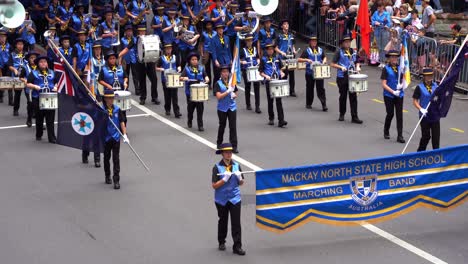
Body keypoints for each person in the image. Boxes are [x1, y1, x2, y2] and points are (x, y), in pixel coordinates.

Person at [211, 143, 245, 256]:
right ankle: (221, 241)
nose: (229, 154)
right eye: (226, 152)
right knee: (223, 221)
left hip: (235, 198)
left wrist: (240, 177)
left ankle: (237, 246)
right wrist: (224, 179)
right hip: (221, 199)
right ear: (222, 154)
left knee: (236, 223)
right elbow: (214, 185)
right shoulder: (217, 167)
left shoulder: (237, 165)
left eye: (230, 152)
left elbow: (241, 183)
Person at [330, 34, 363, 124]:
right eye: (346, 42)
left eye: (349, 42)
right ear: (343, 43)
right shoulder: (339, 52)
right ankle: (342, 114)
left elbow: (357, 61)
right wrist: (340, 67)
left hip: (352, 76)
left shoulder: (353, 51)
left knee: (353, 96)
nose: (348, 43)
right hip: (342, 76)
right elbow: (332, 64)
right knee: (343, 96)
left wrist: (357, 67)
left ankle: (354, 116)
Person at [25, 56, 58, 143]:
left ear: (47, 63)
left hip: (50, 97)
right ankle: (39, 134)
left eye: (45, 62)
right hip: (38, 98)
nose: (43, 63)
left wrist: (56, 86)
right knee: (39, 117)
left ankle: (52, 137)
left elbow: (57, 82)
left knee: (50, 118)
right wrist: (34, 86)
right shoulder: (33, 73)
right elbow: (28, 84)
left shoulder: (52, 72)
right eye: (41, 62)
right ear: (38, 64)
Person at [101, 89, 128, 190]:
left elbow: (122, 122)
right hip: (106, 138)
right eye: (109, 98)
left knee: (116, 159)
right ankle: (107, 175)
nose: (111, 100)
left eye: (112, 98)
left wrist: (124, 135)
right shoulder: (101, 110)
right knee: (106, 158)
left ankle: (116, 180)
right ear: (105, 98)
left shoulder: (117, 109)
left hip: (116, 137)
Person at [259, 41, 287, 127]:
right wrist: (266, 76)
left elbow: (281, 68)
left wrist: (282, 72)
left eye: (272, 49)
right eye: (269, 49)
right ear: (267, 51)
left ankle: (281, 120)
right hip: (269, 82)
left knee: (279, 101)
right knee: (270, 101)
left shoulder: (277, 58)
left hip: (277, 81)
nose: (270, 51)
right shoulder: (263, 59)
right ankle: (271, 118)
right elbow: (260, 72)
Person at [180, 52, 209, 131]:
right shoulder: (186, 69)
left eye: (196, 59)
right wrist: (184, 78)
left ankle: (200, 125)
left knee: (200, 109)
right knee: (190, 108)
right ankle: (190, 120)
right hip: (190, 92)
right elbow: (180, 77)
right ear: (190, 61)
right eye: (192, 60)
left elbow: (205, 76)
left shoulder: (201, 68)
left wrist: (207, 78)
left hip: (199, 92)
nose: (195, 61)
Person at [381, 50, 405, 143]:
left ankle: (400, 135)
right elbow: (383, 84)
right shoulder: (386, 69)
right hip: (389, 95)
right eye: (392, 57)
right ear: (389, 58)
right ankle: (386, 130)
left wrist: (402, 86)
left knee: (399, 115)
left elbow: (405, 80)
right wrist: (393, 91)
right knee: (390, 113)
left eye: (395, 57)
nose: (394, 59)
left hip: (399, 94)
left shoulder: (401, 68)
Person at [413, 68, 439, 152]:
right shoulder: (419, 87)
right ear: (424, 77)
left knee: (436, 137)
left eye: (431, 75)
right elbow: (415, 101)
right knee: (426, 136)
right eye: (427, 76)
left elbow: (439, 98)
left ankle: (436, 154)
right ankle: (420, 152)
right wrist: (421, 109)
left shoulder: (436, 86)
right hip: (424, 115)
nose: (429, 77)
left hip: (434, 115)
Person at [299, 35, 328, 111]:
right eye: (312, 41)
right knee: (310, 88)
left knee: (321, 88)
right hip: (309, 72)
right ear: (310, 42)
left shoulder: (320, 50)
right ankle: (309, 103)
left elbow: (324, 57)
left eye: (315, 41)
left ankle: (324, 104)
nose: (314, 42)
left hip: (319, 72)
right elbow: (299, 59)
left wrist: (324, 61)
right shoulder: (307, 50)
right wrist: (307, 60)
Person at [98, 51, 129, 124]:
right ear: (108, 60)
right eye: (110, 59)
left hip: (120, 94)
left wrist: (125, 82)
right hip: (109, 94)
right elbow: (100, 80)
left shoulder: (120, 68)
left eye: (114, 58)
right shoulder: (104, 69)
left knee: (122, 113)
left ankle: (123, 130)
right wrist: (107, 85)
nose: (112, 60)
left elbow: (125, 77)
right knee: (110, 112)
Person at [214, 65, 239, 153]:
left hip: (232, 107)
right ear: (221, 73)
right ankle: (219, 143)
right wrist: (227, 92)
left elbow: (236, 92)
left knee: (233, 127)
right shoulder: (218, 83)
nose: (225, 73)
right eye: (223, 72)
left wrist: (234, 95)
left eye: (227, 72)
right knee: (222, 126)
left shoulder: (232, 82)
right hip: (222, 108)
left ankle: (234, 146)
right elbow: (218, 96)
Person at [135, 25, 160, 105]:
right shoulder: (136, 40)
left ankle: (154, 97)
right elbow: (128, 48)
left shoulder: (149, 39)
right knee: (142, 80)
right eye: (140, 31)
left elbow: (157, 46)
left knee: (154, 79)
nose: (142, 33)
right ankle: (143, 98)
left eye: (143, 31)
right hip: (140, 62)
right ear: (138, 32)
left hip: (150, 61)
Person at [156, 43, 182, 118]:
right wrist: (161, 69)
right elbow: (156, 67)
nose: (168, 50)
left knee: (175, 96)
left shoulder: (175, 57)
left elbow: (178, 65)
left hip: (174, 78)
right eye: (167, 49)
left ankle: (176, 111)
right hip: (165, 79)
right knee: (167, 95)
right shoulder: (162, 58)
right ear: (165, 50)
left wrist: (179, 68)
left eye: (170, 49)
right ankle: (167, 109)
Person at [275, 19, 297, 97]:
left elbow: (293, 45)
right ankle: (283, 89)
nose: (286, 25)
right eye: (284, 24)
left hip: (290, 57)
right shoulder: (279, 36)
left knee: (292, 74)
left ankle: (292, 91)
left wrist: (294, 51)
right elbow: (276, 48)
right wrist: (281, 52)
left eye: (287, 24)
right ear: (282, 26)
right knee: (284, 74)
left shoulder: (291, 35)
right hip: (282, 57)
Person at [240, 34, 261, 113]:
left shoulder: (255, 49)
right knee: (247, 86)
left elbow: (258, 57)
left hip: (255, 69)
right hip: (247, 70)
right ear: (246, 42)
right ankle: (248, 104)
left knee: (257, 87)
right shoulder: (243, 50)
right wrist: (242, 61)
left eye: (251, 40)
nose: (249, 42)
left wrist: (258, 60)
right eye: (248, 41)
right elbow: (238, 60)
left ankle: (257, 106)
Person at [8, 38, 27, 116]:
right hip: (17, 76)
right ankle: (16, 110)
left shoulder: (27, 54)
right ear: (16, 45)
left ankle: (31, 111)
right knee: (17, 94)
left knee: (28, 94)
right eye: (19, 44)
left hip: (26, 76)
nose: (20, 46)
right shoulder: (12, 54)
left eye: (21, 44)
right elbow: (9, 65)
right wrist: (14, 70)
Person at [20, 51, 39, 127]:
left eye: (34, 58)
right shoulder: (25, 68)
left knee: (39, 105)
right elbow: (21, 77)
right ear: (28, 59)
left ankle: (39, 122)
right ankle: (29, 119)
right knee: (31, 104)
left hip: (38, 88)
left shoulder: (40, 66)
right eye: (31, 58)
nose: (33, 59)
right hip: (29, 89)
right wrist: (25, 80)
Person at [211, 22, 232, 87]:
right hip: (218, 58)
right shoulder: (213, 39)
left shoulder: (227, 38)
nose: (220, 30)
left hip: (226, 59)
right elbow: (213, 51)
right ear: (216, 30)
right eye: (219, 29)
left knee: (226, 74)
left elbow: (229, 50)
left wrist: (231, 59)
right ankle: (216, 89)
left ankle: (226, 87)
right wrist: (215, 60)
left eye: (222, 29)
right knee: (217, 75)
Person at [371, 2, 392, 68]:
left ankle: (385, 61)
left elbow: (389, 22)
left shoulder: (386, 14)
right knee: (379, 47)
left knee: (384, 47)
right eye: (378, 7)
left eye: (380, 7)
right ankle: (381, 61)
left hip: (384, 31)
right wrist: (375, 22)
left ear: (383, 7)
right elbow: (372, 20)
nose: (379, 8)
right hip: (377, 31)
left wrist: (386, 24)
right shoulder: (375, 13)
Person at [120, 25, 139, 95]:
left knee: (135, 75)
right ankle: (126, 88)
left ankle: (137, 89)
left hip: (133, 59)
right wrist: (120, 60)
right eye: (128, 31)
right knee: (126, 75)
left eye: (130, 31)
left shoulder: (135, 39)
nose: (129, 32)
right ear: (125, 32)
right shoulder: (122, 40)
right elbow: (121, 50)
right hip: (126, 59)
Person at [0, 29, 11, 104]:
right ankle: (0, 96)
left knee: (9, 81)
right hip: (0, 66)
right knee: (0, 81)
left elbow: (12, 56)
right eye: (1, 36)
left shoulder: (9, 46)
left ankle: (11, 100)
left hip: (8, 66)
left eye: (4, 37)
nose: (2, 38)